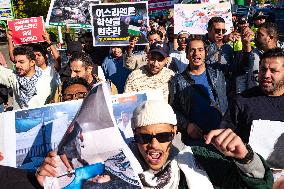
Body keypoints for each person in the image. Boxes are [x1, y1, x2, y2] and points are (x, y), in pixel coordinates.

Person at [36, 100, 273, 188]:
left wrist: (246, 159)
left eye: (163, 136)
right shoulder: (110, 166)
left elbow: (257, 185)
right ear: (134, 135)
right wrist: (51, 180)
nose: (153, 145)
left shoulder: (199, 160)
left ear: (174, 132)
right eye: (144, 137)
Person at [169, 38, 229, 146]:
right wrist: (187, 125)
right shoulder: (177, 80)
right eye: (192, 50)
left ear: (205, 53)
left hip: (220, 137)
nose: (196, 53)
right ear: (187, 55)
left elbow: (225, 102)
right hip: (195, 140)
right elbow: (172, 109)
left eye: (200, 50)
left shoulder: (218, 75)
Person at [220, 48, 284, 143]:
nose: (266, 75)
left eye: (273, 71)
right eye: (263, 69)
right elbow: (223, 138)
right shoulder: (242, 101)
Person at [240, 22, 283, 92]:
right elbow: (242, 75)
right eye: (255, 34)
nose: (255, 37)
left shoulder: (282, 52)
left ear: (270, 37)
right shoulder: (252, 54)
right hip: (254, 98)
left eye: (259, 35)